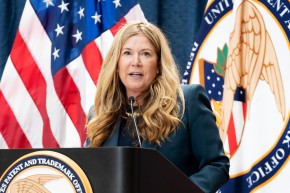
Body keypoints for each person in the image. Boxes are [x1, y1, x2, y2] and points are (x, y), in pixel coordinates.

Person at [85, 21, 229, 193]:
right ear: (116, 64)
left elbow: (216, 165)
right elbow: (89, 175)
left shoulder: (187, 102)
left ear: (159, 65)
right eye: (127, 53)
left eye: (145, 54)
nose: (136, 62)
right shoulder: (99, 115)